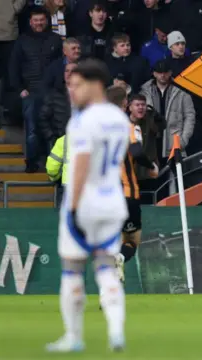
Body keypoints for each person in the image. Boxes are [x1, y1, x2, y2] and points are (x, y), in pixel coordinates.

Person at [45, 59, 129, 353]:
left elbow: (80, 165)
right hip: (112, 203)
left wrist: (72, 208)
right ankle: (116, 332)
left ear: (95, 85)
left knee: (72, 270)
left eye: (77, 85)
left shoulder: (82, 120)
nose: (72, 91)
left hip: (85, 204)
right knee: (107, 268)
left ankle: (73, 336)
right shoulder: (121, 119)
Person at [107, 90, 159, 283]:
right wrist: (151, 166)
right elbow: (136, 152)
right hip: (126, 194)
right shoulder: (128, 127)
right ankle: (120, 258)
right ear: (124, 104)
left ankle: (108, 290)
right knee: (131, 241)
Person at [9, 6, 63, 173]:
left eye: (42, 20)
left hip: (51, 93)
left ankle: (51, 164)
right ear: (30, 22)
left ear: (46, 21)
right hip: (30, 91)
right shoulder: (22, 40)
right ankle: (31, 162)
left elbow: (61, 66)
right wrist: (19, 89)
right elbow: (13, 66)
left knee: (53, 129)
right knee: (32, 129)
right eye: (36, 20)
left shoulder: (56, 39)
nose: (39, 23)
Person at [140, 60, 195, 159]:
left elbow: (190, 117)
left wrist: (183, 139)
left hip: (174, 143)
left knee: (177, 173)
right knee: (155, 173)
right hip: (151, 142)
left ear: (170, 73)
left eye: (165, 72)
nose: (162, 75)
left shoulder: (181, 92)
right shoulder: (144, 92)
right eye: (159, 72)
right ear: (154, 73)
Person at [38, 62, 76, 151]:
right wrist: (51, 137)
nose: (69, 74)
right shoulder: (54, 95)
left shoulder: (87, 95)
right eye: (67, 71)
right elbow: (42, 118)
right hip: (59, 141)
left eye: (73, 71)